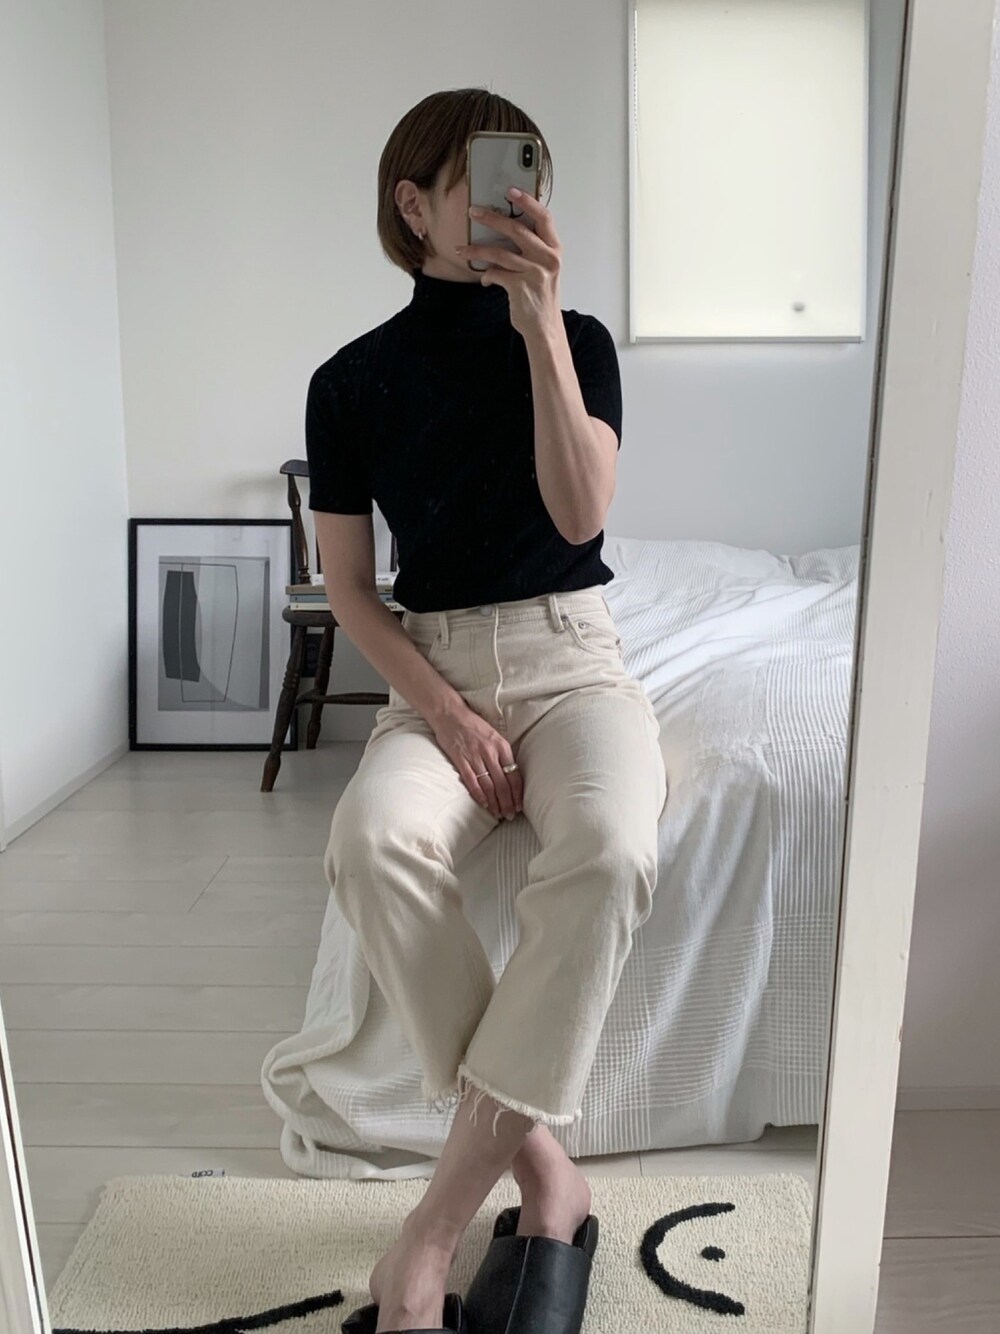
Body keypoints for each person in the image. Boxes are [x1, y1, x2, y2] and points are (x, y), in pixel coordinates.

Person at [305, 88, 667, 1333]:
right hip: (433, 670)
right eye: (488, 181)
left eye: (531, 180)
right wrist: (449, 715)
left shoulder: (582, 340)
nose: (518, 202)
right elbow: (352, 591)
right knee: (370, 839)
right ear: (414, 204)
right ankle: (548, 1177)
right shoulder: (349, 381)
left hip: (573, 658)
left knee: (610, 850)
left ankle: (429, 1234)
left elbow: (580, 516)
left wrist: (541, 327)